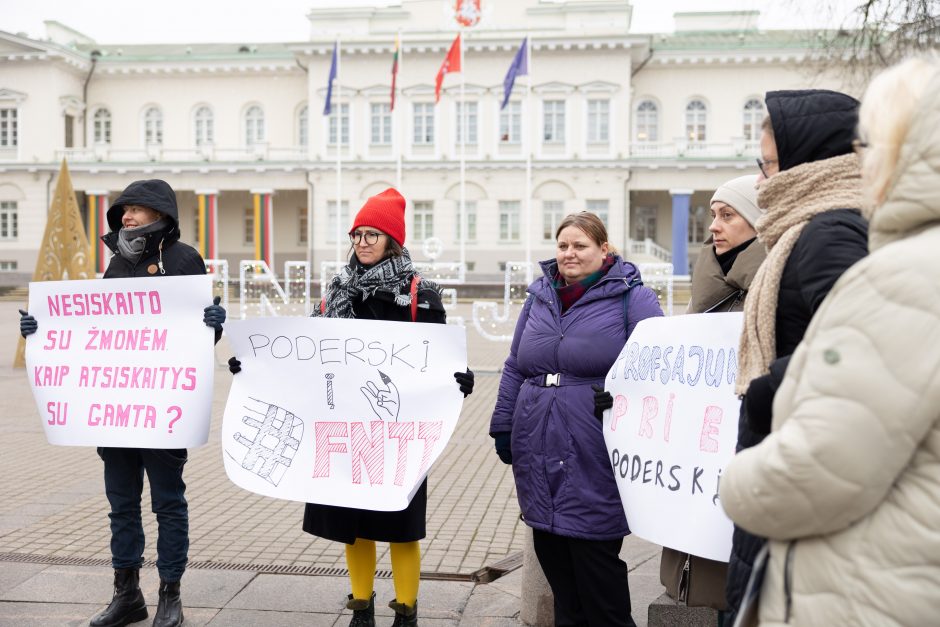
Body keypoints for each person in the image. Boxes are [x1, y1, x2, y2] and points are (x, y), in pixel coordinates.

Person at [720, 55, 940, 627]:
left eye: (868, 143)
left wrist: (759, 417)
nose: (762, 180)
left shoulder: (835, 237)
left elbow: (829, 455)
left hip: (861, 580)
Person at [230, 187, 473, 627]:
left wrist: (458, 379)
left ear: (392, 240)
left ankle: (406, 611)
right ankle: (361, 606)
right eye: (357, 234)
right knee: (351, 519)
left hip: (396, 430)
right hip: (344, 429)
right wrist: (252, 365)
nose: (362, 242)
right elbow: (303, 352)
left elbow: (439, 359)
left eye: (373, 234)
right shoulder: (336, 291)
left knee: (400, 524)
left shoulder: (420, 292)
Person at [19, 178, 226, 627]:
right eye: (124, 211)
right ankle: (127, 594)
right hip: (118, 412)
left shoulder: (182, 259)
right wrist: (43, 332)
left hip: (163, 409)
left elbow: (192, 337)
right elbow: (98, 334)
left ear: (160, 214)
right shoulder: (116, 264)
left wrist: (214, 323)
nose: (126, 217)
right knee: (121, 504)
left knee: (168, 502)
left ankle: (170, 593)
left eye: (136, 209)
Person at [723, 89, 870, 624]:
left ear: (809, 160)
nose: (762, 181)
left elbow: (859, 347)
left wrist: (766, 390)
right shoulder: (816, 225)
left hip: (798, 459)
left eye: (768, 164)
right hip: (793, 458)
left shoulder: (829, 232)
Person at [489, 212, 663, 627]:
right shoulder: (539, 297)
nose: (570, 253)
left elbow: (658, 366)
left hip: (594, 446)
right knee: (560, 579)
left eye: (580, 245)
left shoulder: (632, 298)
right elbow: (516, 365)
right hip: (537, 446)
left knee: (597, 577)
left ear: (604, 250)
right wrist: (503, 423)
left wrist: (623, 399)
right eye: (563, 245)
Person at [659, 174, 766, 618]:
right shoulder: (708, 292)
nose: (713, 227)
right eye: (712, 216)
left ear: (759, 223)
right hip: (698, 452)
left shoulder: (770, 288)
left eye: (727, 215)